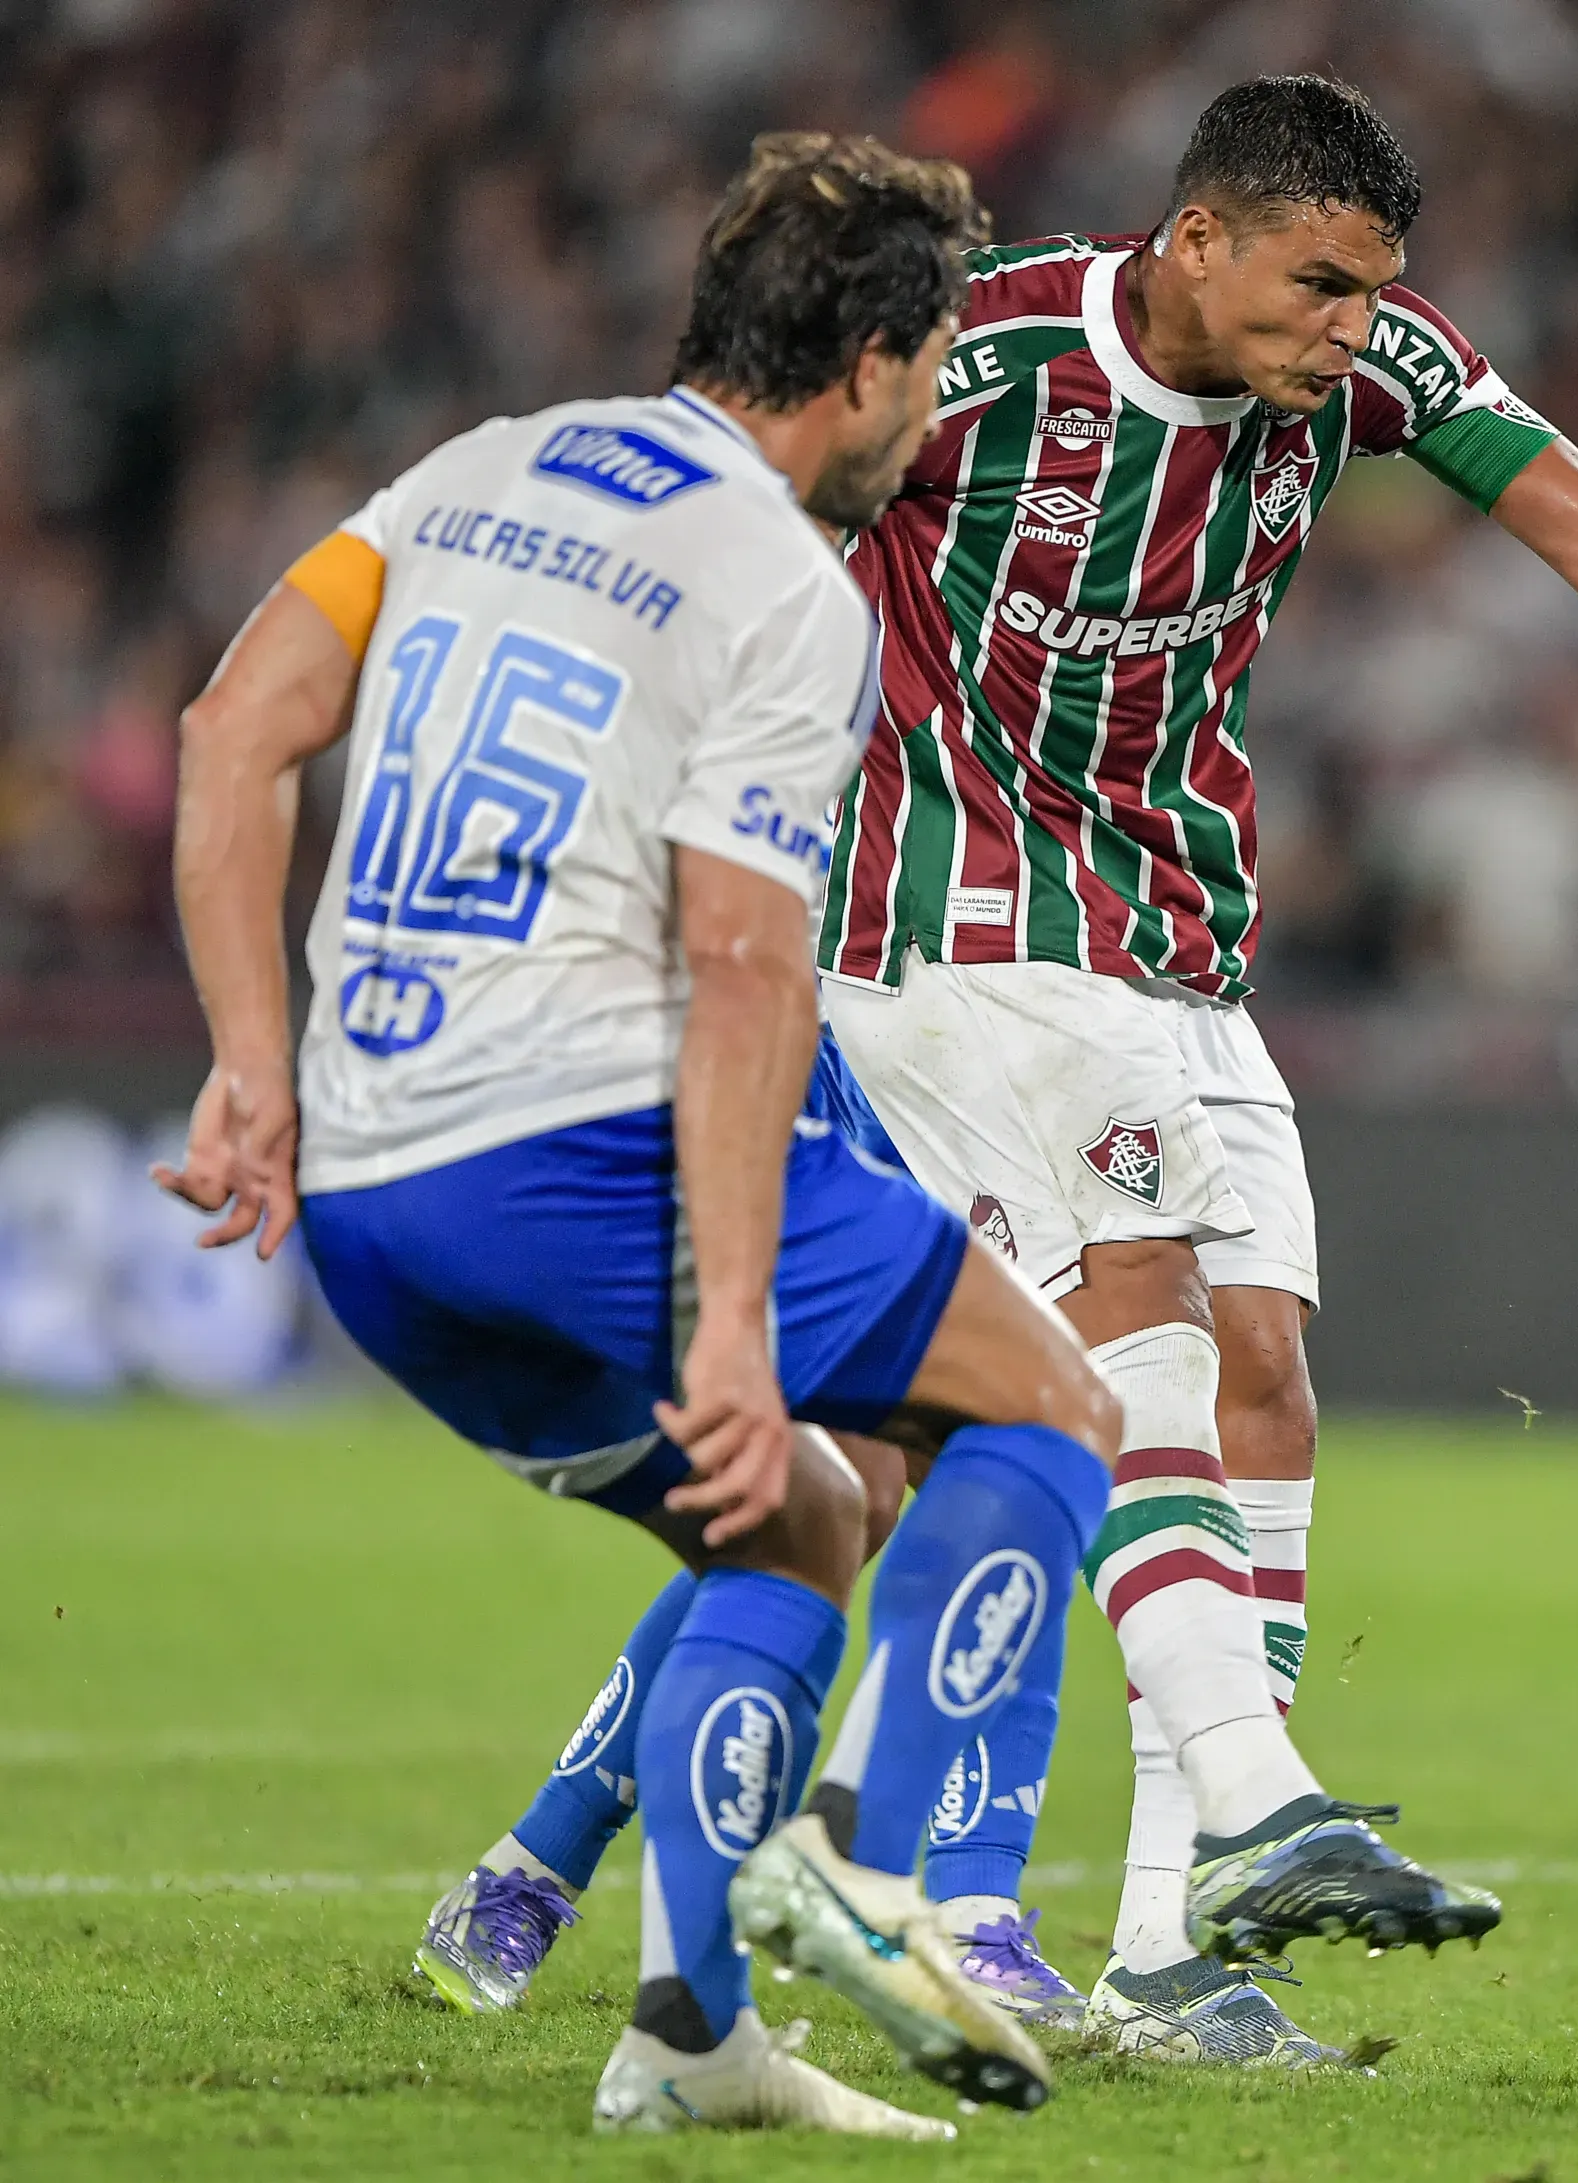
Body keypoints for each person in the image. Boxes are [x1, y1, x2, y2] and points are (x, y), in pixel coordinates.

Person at [439, 71, 1578, 2066]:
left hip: (1172, 939)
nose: (1349, 331)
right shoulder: (989, 357)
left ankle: (1115, 1946)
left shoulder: (1366, 369)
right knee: (1121, 1340)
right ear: (1195, 241)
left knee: (1173, 1387)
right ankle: (1237, 1799)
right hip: (944, 939)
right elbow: (731, 516)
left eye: (1376, 294)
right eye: (1317, 286)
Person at [157, 133, 1126, 2139]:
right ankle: (855, 1867)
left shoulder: (481, 468)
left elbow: (233, 728)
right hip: (576, 1149)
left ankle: (690, 2029)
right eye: (934, 371)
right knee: (1052, 1412)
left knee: (796, 1518)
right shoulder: (786, 587)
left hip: (364, 1191)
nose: (935, 419)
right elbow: (748, 961)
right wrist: (732, 1317)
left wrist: (251, 1056)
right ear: (860, 358)